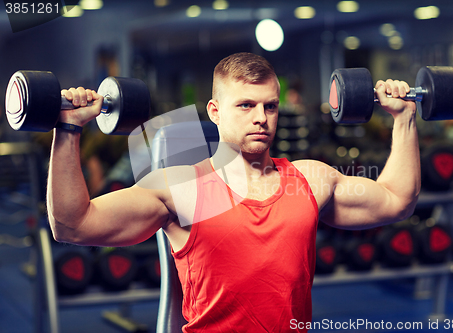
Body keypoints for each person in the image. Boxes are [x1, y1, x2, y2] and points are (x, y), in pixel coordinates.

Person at [47, 52, 420, 332]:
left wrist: (404, 120)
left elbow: (396, 200)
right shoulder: (185, 189)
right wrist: (67, 130)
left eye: (269, 106)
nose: (261, 117)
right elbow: (73, 225)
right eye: (245, 105)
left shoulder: (307, 180)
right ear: (215, 111)